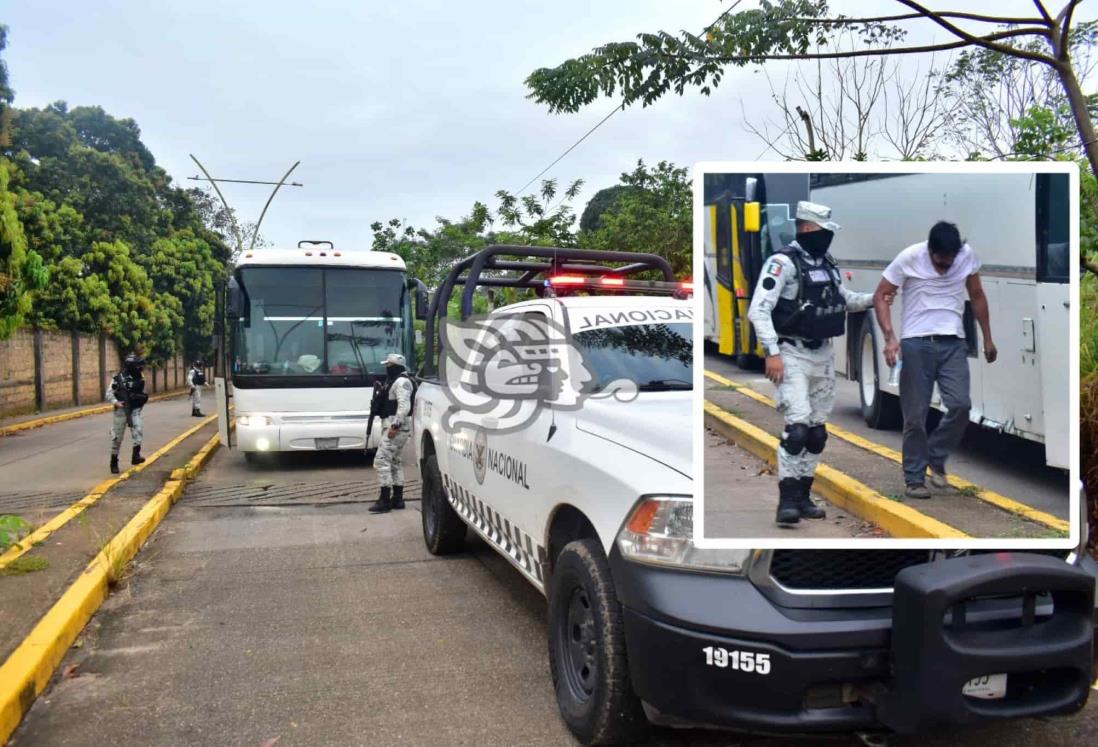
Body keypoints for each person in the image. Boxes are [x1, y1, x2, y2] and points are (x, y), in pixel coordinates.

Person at [747, 201, 882, 525]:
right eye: (824, 232)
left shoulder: (827, 263)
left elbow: (843, 299)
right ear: (808, 229)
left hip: (822, 356)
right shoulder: (782, 263)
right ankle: (787, 501)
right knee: (797, 430)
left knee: (817, 434)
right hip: (791, 354)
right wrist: (772, 353)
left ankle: (804, 495)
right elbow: (759, 310)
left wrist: (873, 299)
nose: (827, 239)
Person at [873, 221, 996, 499]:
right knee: (915, 416)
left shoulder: (967, 256)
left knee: (961, 405)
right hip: (916, 344)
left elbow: (976, 295)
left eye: (949, 263)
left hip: (953, 342)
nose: (945, 268)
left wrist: (987, 337)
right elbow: (880, 295)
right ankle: (914, 478)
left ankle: (936, 456)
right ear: (929, 250)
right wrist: (890, 338)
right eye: (940, 262)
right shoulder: (910, 257)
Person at [369, 352, 415, 514]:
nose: (386, 368)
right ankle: (397, 499)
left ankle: (384, 500)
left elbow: (404, 406)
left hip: (396, 429)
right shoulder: (395, 381)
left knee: (381, 460)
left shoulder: (402, 382)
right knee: (394, 462)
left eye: (389, 366)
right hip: (394, 427)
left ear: (395, 366)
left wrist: (394, 427)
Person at [106, 353, 150, 474]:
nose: (140, 368)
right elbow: (109, 393)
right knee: (117, 437)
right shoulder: (118, 379)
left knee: (138, 429)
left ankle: (136, 455)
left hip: (135, 410)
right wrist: (116, 402)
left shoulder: (140, 377)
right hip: (121, 411)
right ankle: (114, 461)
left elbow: (142, 391)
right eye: (138, 366)